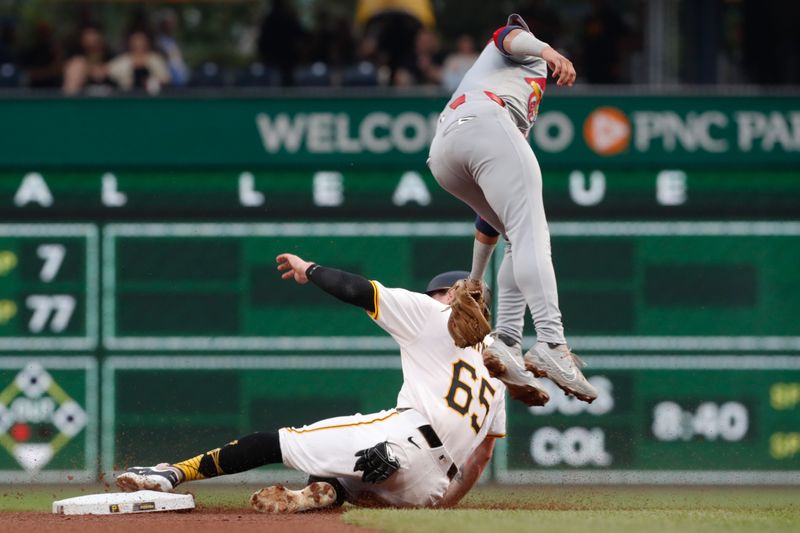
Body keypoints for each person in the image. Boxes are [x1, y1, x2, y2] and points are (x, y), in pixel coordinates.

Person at [117, 255, 520, 511]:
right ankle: (321, 494)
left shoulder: (432, 316)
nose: (430, 297)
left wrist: (308, 269)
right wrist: (439, 505)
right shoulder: (498, 368)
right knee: (336, 474)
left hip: (404, 441)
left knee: (275, 441)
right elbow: (480, 459)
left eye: (436, 293)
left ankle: (170, 473)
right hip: (429, 487)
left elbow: (359, 290)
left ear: (451, 295)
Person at [427, 14, 598, 403]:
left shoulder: (511, 88)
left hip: (445, 151)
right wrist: (549, 50)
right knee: (533, 233)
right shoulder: (525, 55)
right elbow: (508, 35)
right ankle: (552, 344)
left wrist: (474, 279)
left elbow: (488, 220)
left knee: (515, 235)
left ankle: (505, 340)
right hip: (484, 118)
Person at [62, 25, 115, 95]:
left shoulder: (114, 62)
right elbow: (69, 93)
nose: (95, 48)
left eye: (97, 42)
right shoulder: (77, 64)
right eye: (90, 46)